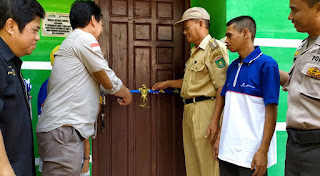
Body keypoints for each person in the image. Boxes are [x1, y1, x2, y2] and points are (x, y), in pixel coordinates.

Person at [36, 1, 132, 175]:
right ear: (93, 20)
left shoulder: (72, 42)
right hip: (64, 132)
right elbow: (105, 76)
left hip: (60, 131)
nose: (100, 32)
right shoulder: (84, 39)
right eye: (102, 25)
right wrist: (126, 93)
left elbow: (92, 80)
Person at [152, 7, 229, 176]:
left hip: (206, 111)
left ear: (201, 24)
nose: (185, 32)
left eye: (187, 27)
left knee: (209, 166)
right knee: (193, 165)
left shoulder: (214, 49)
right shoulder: (195, 52)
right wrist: (167, 83)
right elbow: (190, 83)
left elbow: (222, 87)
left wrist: (215, 121)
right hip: (190, 111)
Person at [211, 16, 279, 176]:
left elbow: (271, 111)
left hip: (251, 155)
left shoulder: (267, 65)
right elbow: (230, 108)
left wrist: (263, 151)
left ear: (245, 33)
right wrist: (220, 138)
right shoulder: (232, 67)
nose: (225, 40)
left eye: (229, 35)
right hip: (227, 152)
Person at [0, 0, 45, 175]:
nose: (38, 37)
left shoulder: (11, 62)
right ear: (11, 26)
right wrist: (4, 169)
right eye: (34, 30)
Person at [280, 0, 320, 175]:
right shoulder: (304, 45)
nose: (290, 17)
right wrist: (269, 69)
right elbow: (295, 84)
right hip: (295, 144)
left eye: (294, 10)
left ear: (318, 9)